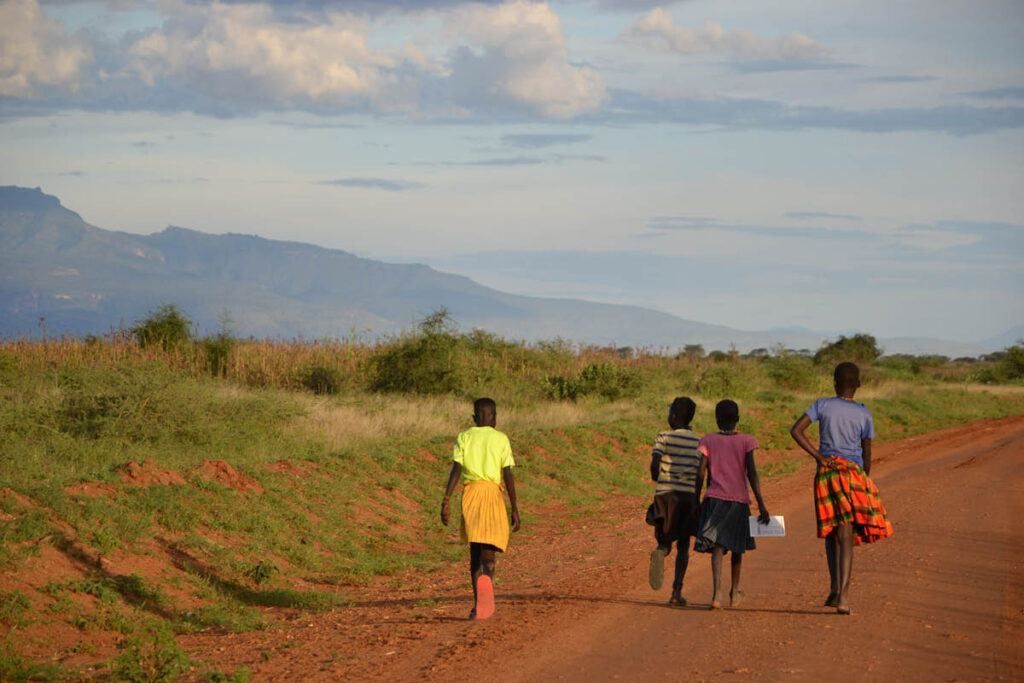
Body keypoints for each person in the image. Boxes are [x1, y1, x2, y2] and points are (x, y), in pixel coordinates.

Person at [790, 362, 894, 615]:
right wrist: (863, 479)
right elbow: (867, 452)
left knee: (831, 530)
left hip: (827, 473)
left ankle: (835, 588)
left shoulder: (822, 405)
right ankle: (844, 596)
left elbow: (796, 430)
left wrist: (819, 456)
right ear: (858, 385)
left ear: (834, 383)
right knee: (846, 535)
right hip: (853, 474)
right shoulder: (864, 413)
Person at [440, 397, 521, 620]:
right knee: (489, 552)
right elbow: (508, 475)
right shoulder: (501, 439)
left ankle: (478, 605)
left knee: (475, 552)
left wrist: (446, 500)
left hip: (471, 496)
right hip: (493, 495)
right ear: (494, 417)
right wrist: (514, 508)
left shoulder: (464, 437)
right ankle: (489, 580)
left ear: (474, 418)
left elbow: (456, 470)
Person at [693, 399, 769, 610]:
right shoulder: (746, 441)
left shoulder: (708, 440)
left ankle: (716, 594)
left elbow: (700, 473)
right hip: (738, 501)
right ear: (737, 419)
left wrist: (696, 499)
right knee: (737, 547)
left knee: (717, 546)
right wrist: (761, 503)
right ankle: (734, 592)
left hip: (714, 499)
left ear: (716, 420)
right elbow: (752, 473)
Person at [646, 396, 705, 606]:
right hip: (686, 497)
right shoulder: (698, 442)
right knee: (683, 545)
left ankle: (661, 551)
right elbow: (700, 474)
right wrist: (697, 500)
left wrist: (657, 477)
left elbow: (655, 463)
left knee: (665, 539)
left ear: (673, 416)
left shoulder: (664, 436)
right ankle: (676, 592)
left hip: (665, 496)